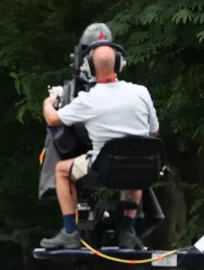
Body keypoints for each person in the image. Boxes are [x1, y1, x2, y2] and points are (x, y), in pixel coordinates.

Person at [41, 27, 160, 250]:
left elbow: (53, 119)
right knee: (137, 160)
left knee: (61, 171)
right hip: (140, 168)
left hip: (101, 168)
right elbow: (154, 132)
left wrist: (50, 100)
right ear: (119, 64)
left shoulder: (88, 99)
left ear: (88, 65)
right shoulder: (141, 92)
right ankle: (128, 230)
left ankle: (69, 232)